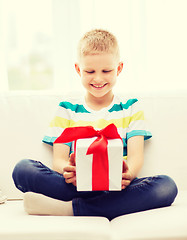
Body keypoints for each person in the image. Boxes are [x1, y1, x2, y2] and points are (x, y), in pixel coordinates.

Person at [12, 29, 178, 220]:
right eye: (89, 71)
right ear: (78, 69)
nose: (98, 79)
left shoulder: (131, 108)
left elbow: (135, 156)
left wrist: (128, 174)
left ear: (119, 68)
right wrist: (69, 171)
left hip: (117, 187)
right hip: (77, 185)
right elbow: (59, 160)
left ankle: (70, 209)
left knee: (167, 186)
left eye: (106, 71)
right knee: (23, 169)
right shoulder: (67, 109)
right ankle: (104, 205)